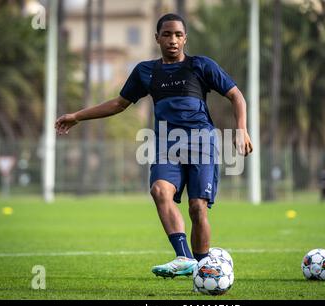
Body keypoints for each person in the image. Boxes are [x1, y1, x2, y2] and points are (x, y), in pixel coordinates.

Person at [55, 13, 253, 279]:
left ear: (185, 38)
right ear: (157, 38)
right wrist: (77, 116)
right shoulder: (145, 71)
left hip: (201, 144)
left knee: (197, 208)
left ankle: (204, 268)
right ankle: (184, 257)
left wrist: (241, 129)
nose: (173, 40)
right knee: (160, 191)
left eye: (178, 35)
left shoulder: (201, 66)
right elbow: (118, 104)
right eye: (167, 34)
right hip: (165, 145)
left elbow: (236, 95)